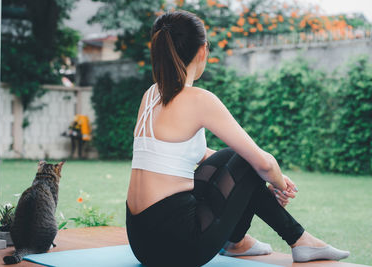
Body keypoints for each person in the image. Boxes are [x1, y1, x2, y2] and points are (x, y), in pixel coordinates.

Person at [126, 10, 350, 267]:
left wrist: (264, 174)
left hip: (142, 242)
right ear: (202, 51)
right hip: (179, 247)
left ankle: (241, 242)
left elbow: (190, 154)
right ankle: (296, 239)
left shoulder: (151, 95)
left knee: (238, 158)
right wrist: (278, 182)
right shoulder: (199, 99)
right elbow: (262, 164)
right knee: (248, 160)